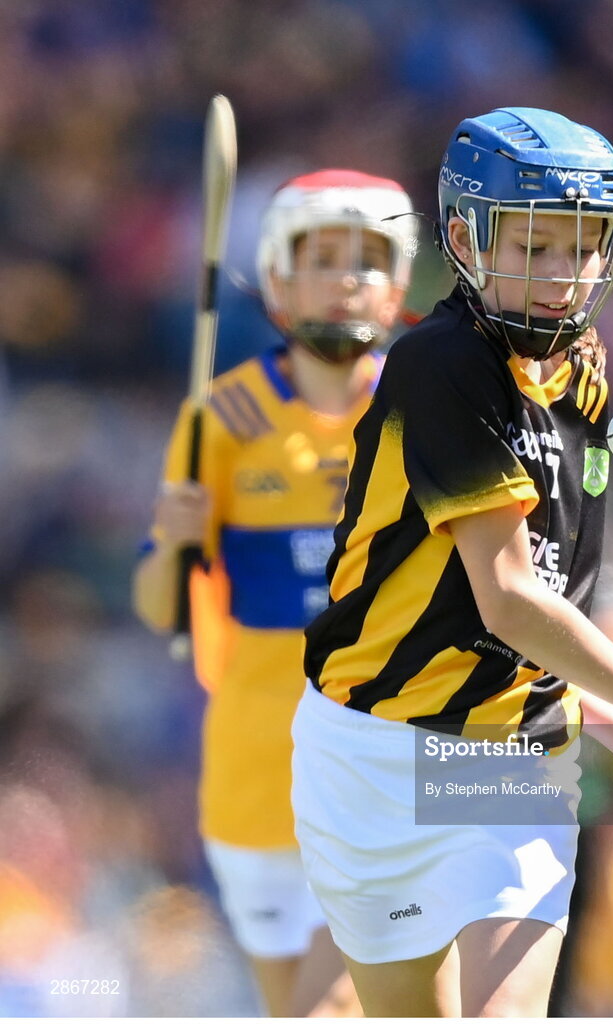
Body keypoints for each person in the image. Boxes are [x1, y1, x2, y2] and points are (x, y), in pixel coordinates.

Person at [291, 107, 613, 1018]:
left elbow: (556, 590)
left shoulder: (579, 368)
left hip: (511, 763)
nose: (562, 277)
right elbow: (509, 600)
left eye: (583, 247)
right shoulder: (439, 366)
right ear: (463, 238)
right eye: (533, 245)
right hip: (370, 757)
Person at [132, 169, 418, 1017]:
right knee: (293, 1009)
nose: (345, 278)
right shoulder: (220, 420)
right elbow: (158, 608)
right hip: (255, 775)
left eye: (367, 260)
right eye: (322, 257)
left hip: (383, 771)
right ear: (278, 278)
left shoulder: (423, 417)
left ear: (399, 286)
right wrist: (178, 542)